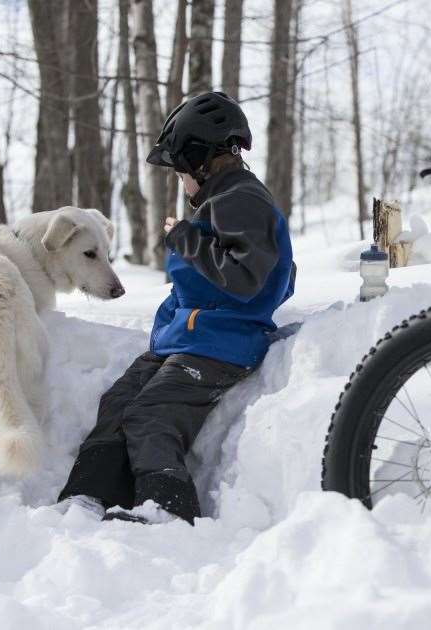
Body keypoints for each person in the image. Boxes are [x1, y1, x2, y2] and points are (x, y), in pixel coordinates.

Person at [56, 91, 295, 524]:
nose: (180, 181)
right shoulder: (221, 201)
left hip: (221, 344)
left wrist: (187, 239)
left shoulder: (242, 199)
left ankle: (166, 509)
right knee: (120, 401)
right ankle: (88, 493)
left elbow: (247, 279)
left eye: (180, 171)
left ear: (201, 159)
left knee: (151, 413)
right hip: (187, 339)